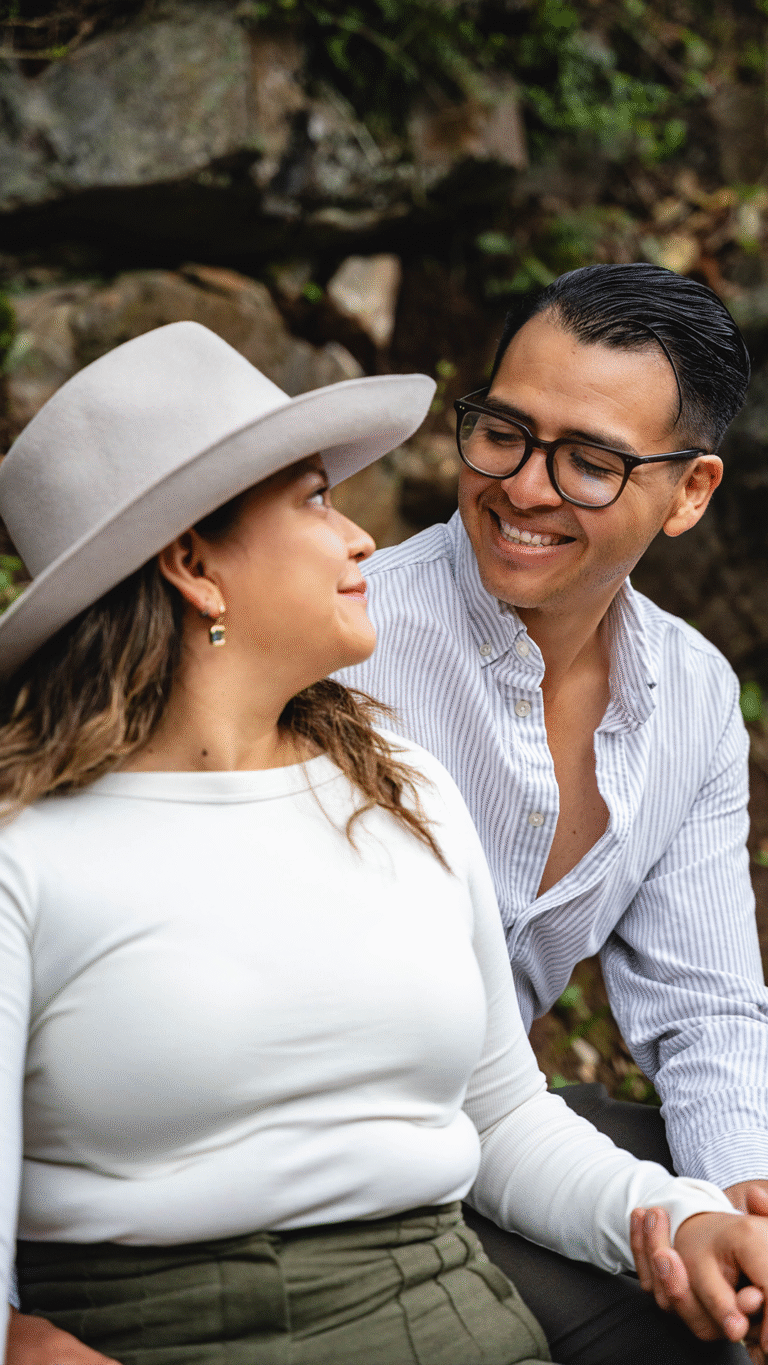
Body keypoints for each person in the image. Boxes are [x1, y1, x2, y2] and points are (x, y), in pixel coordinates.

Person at [2, 319, 768, 1365]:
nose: (362, 536)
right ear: (192, 563)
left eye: (589, 461)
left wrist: (699, 1216)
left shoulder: (400, 783)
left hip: (446, 1289)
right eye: (317, 500)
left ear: (690, 492)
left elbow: (515, 1105)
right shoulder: (33, 853)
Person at [331, 262, 768, 1362]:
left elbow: (706, 1005)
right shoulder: (343, 646)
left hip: (511, 1133)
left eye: (590, 462)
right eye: (503, 433)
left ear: (691, 492)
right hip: (333, 1177)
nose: (525, 488)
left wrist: (742, 1197)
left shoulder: (693, 695)